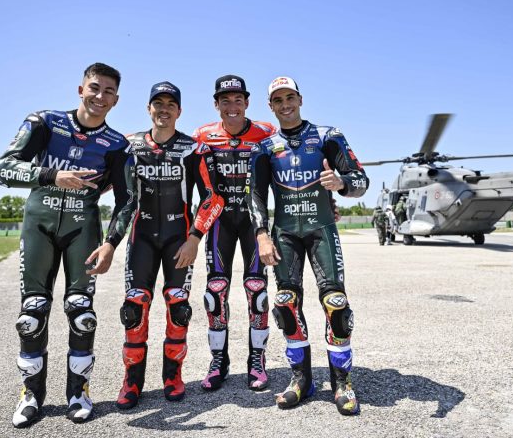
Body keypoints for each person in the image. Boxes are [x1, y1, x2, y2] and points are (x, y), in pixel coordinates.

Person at [0, 63, 131, 427]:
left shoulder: (117, 144)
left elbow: (127, 201)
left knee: (82, 313)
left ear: (116, 100)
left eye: (108, 91)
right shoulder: (45, 122)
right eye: (94, 88)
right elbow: (4, 168)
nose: (100, 96)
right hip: (38, 225)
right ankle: (30, 395)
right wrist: (53, 175)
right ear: (80, 89)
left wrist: (111, 244)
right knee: (31, 315)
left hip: (82, 229)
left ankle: (78, 393)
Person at [248, 76, 369, 415]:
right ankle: (301, 379)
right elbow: (255, 195)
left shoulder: (328, 136)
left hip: (321, 230)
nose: (285, 104)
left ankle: (342, 382)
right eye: (278, 100)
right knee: (286, 305)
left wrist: (341, 182)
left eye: (290, 97)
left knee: (336, 305)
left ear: (300, 100)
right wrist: (261, 234)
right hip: (284, 233)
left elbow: (361, 180)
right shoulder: (264, 147)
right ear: (270, 106)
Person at [112, 81, 224, 409]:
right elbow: (117, 193)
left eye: (170, 105)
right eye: (158, 104)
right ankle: (132, 381)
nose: (164, 110)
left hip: (180, 240)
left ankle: (173, 376)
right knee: (134, 309)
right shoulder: (129, 146)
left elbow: (213, 197)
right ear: (148, 108)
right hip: (141, 238)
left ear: (179, 111)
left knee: (179, 308)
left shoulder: (194, 149)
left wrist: (194, 238)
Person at [192, 75, 276, 392]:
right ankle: (219, 361)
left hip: (254, 221)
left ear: (247, 103)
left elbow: (289, 168)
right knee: (215, 293)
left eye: (238, 100)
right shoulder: (203, 135)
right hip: (219, 221)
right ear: (216, 104)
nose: (232, 106)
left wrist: (329, 202)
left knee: (257, 290)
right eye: (225, 101)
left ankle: (257, 360)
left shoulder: (266, 132)